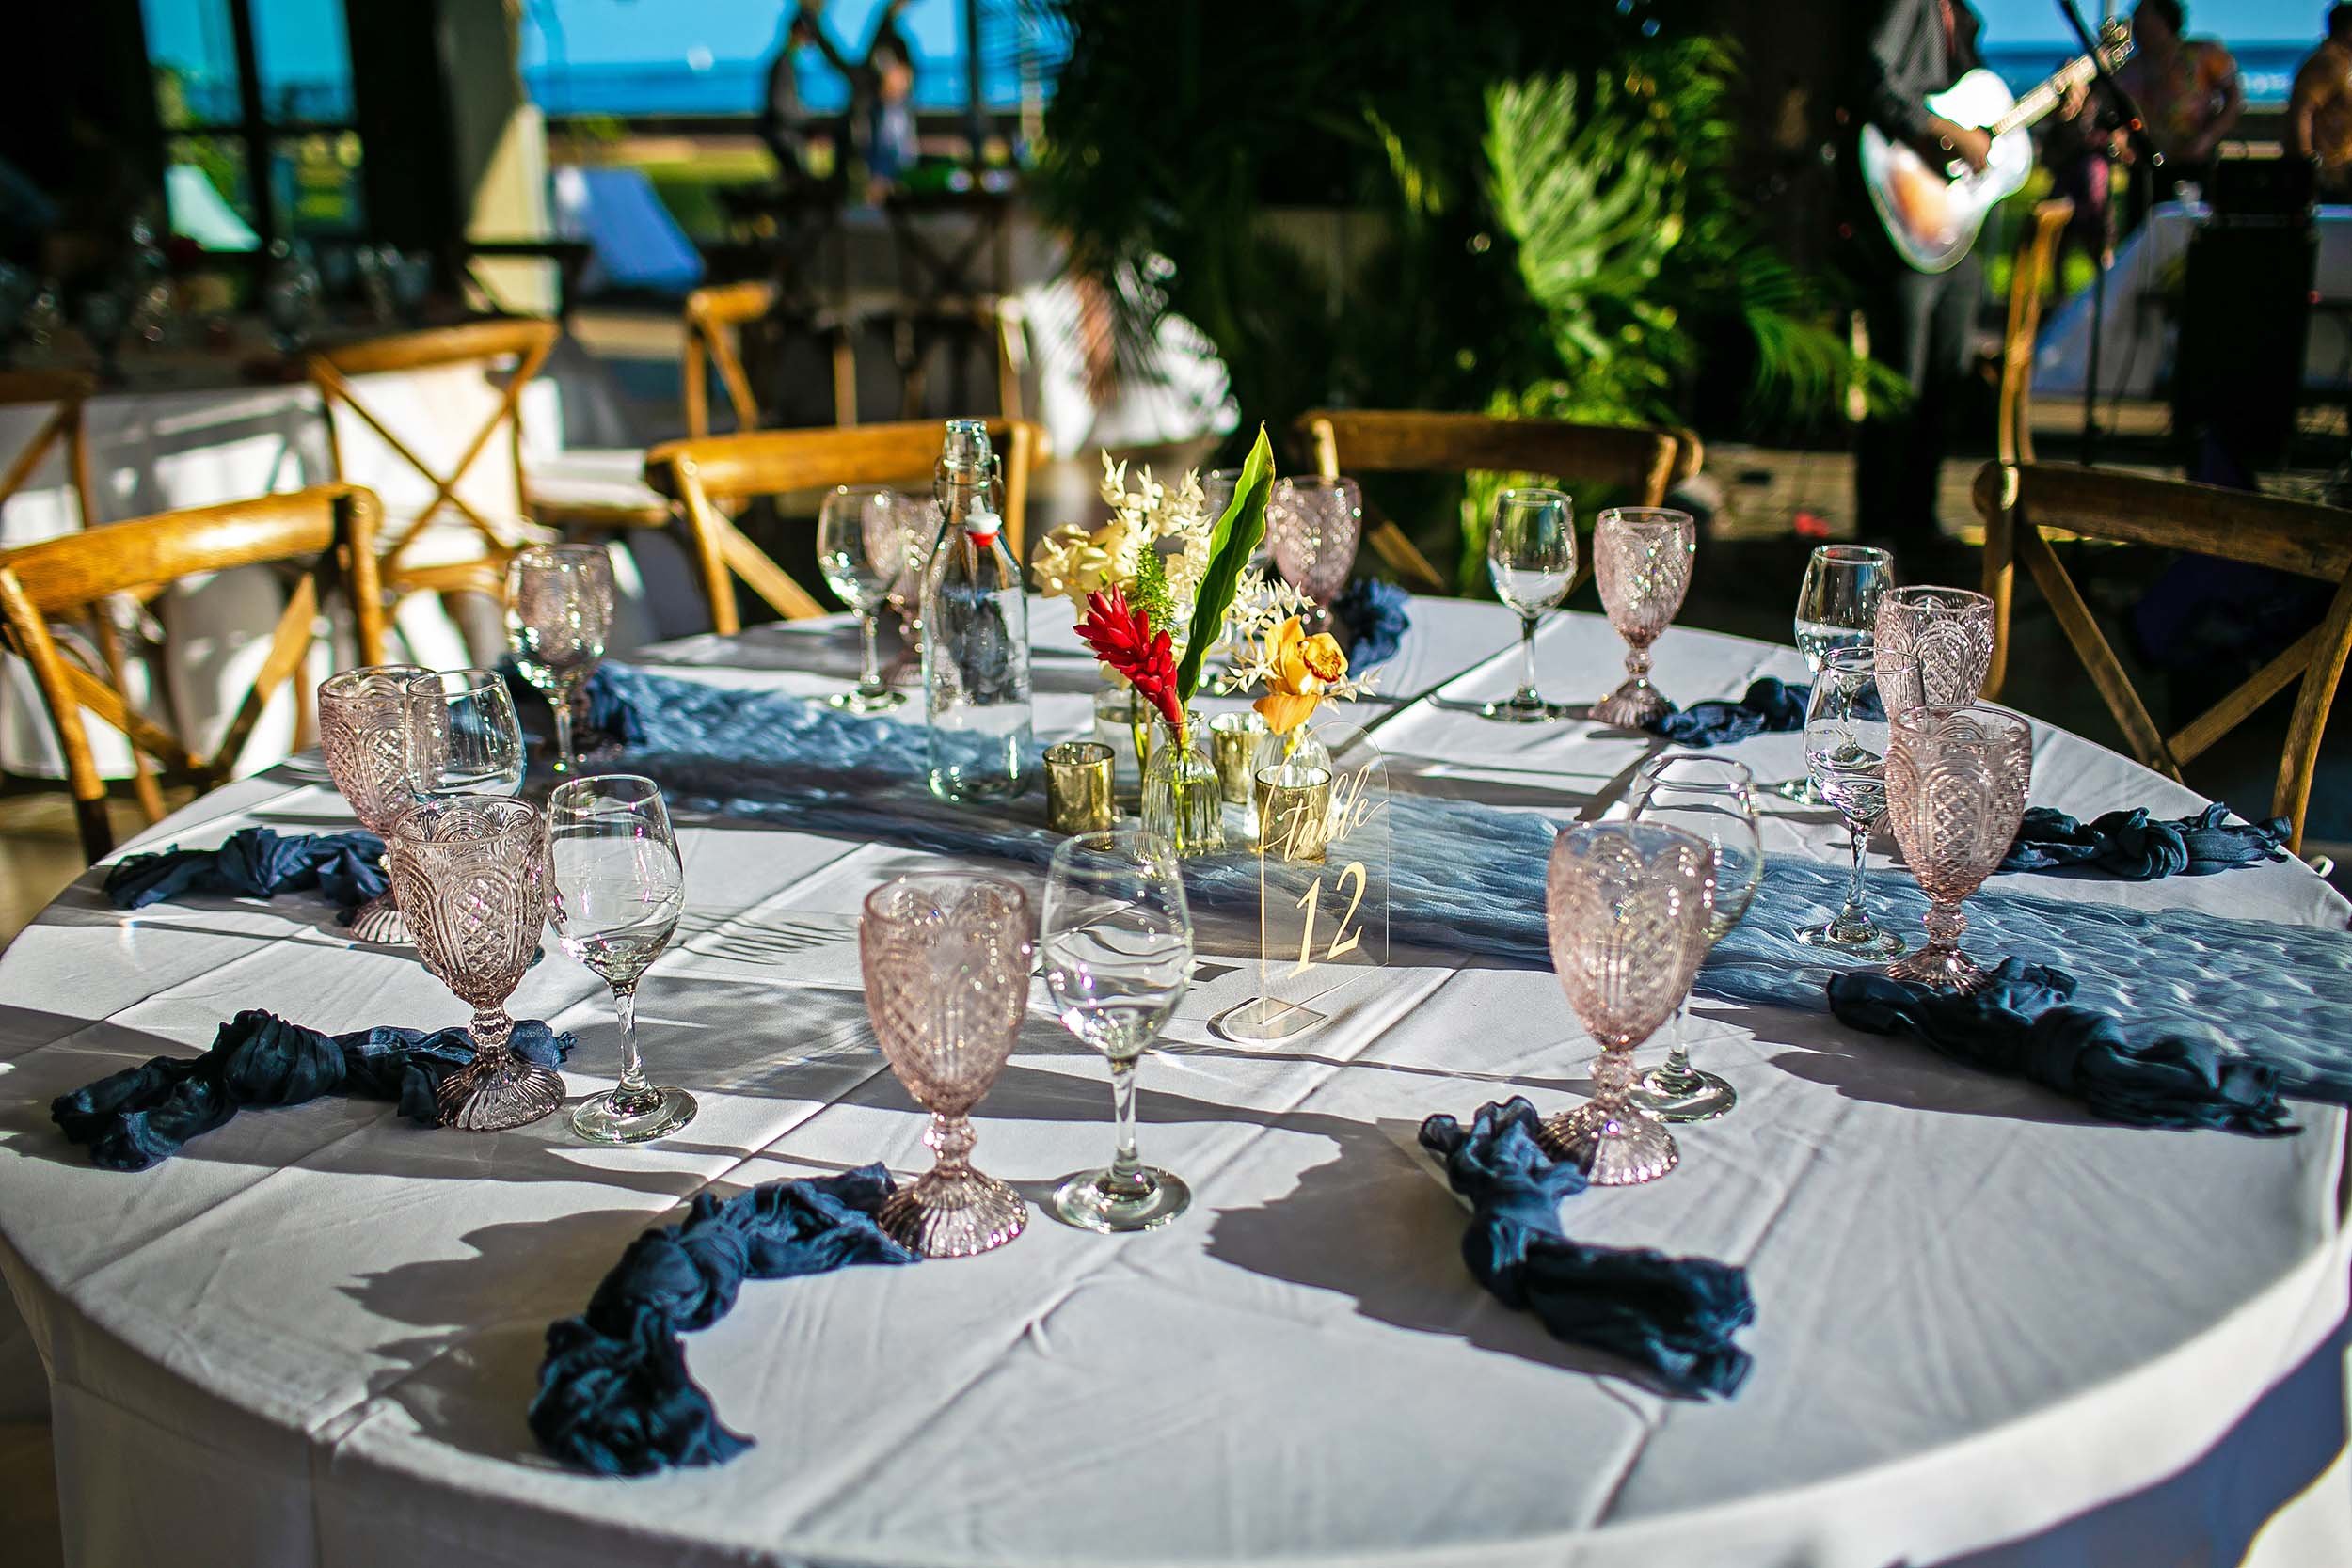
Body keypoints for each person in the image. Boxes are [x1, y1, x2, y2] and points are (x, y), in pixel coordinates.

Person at [1842, 0, 1988, 554]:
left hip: (1952, 226)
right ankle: (1876, 530)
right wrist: (1939, 128)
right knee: (1899, 378)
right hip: (1902, 213)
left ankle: (1917, 519)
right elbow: (1871, 79)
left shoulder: (1963, 19)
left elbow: (1981, 117)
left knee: (1945, 376)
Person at [2113, 0, 2242, 221]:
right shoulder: (2130, 69)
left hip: (2193, 165)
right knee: (2143, 239)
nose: (2135, 26)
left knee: (2193, 230)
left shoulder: (2201, 54)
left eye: (2142, 18)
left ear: (2163, 21)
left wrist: (2206, 139)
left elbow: (2234, 98)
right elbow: (2114, 115)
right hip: (2146, 171)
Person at [2289, 5, 2352, 188]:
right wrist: (2306, 160)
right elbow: (2302, 110)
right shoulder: (2328, 63)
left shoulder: (2344, 62)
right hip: (2331, 171)